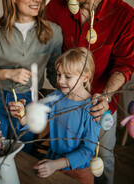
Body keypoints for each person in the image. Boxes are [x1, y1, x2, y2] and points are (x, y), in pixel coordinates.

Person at [0, 0, 134, 183]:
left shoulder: (124, 15)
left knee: (102, 158)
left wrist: (105, 94)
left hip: (100, 105)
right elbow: (29, 20)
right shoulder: (56, 7)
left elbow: (125, 63)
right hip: (63, 106)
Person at [0, 0, 63, 153]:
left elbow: (54, 72)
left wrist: (73, 91)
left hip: (28, 100)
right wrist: (7, 73)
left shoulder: (54, 32)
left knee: (23, 152)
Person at [9, 47, 101, 184]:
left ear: (86, 77)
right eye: (59, 74)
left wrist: (56, 164)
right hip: (51, 162)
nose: (61, 81)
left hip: (79, 171)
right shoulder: (54, 98)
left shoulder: (93, 108)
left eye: (68, 76)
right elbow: (33, 120)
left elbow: (87, 151)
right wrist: (21, 115)